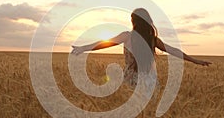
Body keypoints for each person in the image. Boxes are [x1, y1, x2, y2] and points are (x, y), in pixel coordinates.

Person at [71, 8, 211, 88]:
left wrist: (83, 48)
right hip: (150, 80)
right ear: (148, 21)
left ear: (133, 22)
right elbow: (174, 50)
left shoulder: (127, 36)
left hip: (131, 79)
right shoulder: (153, 39)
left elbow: (104, 43)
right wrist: (195, 60)